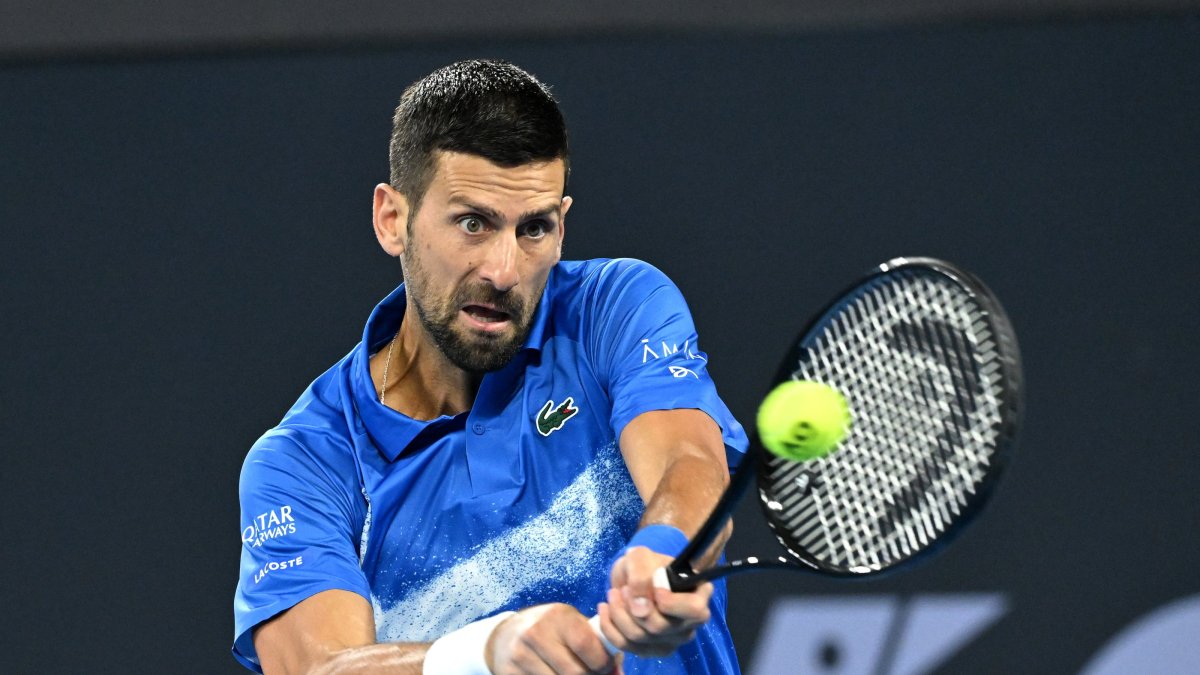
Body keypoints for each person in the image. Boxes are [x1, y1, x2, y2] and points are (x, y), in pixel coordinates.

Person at [233, 59, 748, 674]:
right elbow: (321, 669)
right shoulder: (306, 461)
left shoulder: (616, 307)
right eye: (472, 223)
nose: (503, 270)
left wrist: (664, 551)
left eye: (534, 228)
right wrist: (483, 655)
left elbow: (688, 463)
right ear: (392, 220)